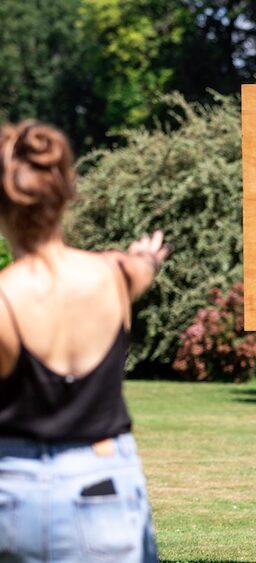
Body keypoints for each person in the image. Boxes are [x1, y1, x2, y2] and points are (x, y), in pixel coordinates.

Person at [0, 120, 169, 562]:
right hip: (106, 483)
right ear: (66, 195)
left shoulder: (4, 299)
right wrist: (147, 255)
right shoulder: (113, 275)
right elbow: (143, 267)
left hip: (15, 494)